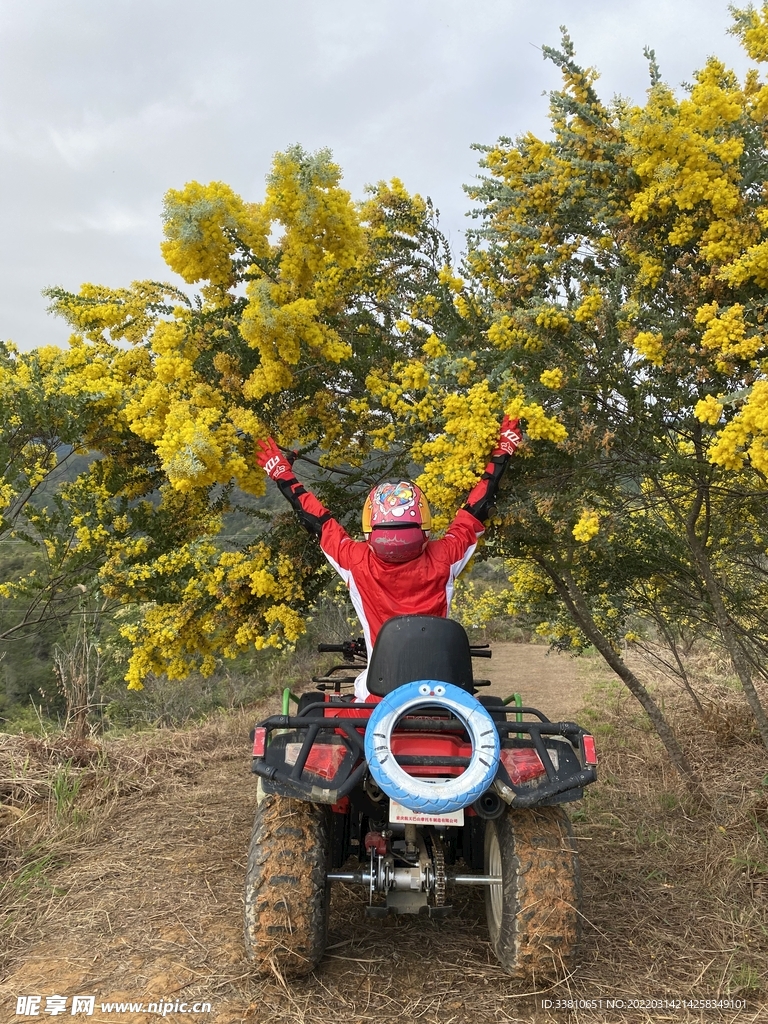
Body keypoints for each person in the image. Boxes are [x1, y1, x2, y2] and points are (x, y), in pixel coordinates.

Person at [256, 416, 522, 700]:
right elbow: (477, 508)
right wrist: (503, 449)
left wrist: (282, 474)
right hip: (441, 697)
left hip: (380, 697)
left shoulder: (355, 561)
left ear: (371, 527)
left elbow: (316, 519)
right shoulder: (445, 557)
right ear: (423, 525)